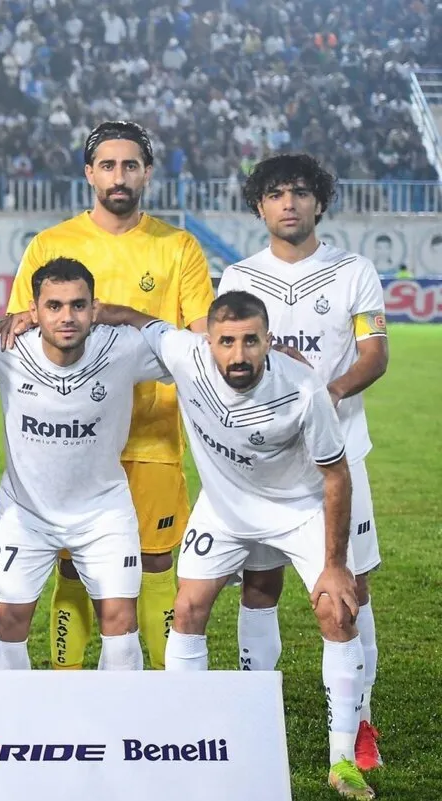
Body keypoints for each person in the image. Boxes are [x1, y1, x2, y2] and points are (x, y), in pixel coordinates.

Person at [100, 291, 373, 800]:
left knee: (337, 610)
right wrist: (86, 310)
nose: (239, 354)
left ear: (269, 341)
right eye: (226, 341)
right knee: (188, 608)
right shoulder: (185, 355)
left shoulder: (302, 388)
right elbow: (139, 319)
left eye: (251, 341)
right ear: (209, 342)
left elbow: (336, 475)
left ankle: (343, 760)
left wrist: (336, 565)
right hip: (225, 510)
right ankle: (186, 739)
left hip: (298, 508)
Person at [0, 120, 214, 671]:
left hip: (152, 438)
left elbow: (200, 341)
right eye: (108, 165)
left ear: (147, 173)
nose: (119, 176)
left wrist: (121, 314)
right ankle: (68, 681)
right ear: (90, 173)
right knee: (69, 566)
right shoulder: (52, 245)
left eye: (130, 165)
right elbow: (21, 329)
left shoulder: (178, 247)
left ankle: (164, 686)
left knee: (155, 566)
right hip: (66, 448)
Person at [220, 154, 389, 770]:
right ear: (258, 206)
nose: (287, 203)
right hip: (263, 463)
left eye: (299, 192)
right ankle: (256, 718)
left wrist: (326, 394)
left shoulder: (354, 271)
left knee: (352, 589)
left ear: (320, 201)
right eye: (274, 194)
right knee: (258, 586)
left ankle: (360, 723)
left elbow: (374, 354)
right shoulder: (239, 275)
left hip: (339, 456)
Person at [0, 258, 167, 671]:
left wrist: (126, 314)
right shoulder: (5, 347)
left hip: (102, 514)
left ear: (93, 307)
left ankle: (113, 713)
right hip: (25, 513)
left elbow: (188, 352)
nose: (67, 317)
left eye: (78, 305)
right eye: (54, 306)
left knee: (121, 628)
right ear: (33, 310)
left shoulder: (122, 347)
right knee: (7, 623)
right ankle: (7, 712)